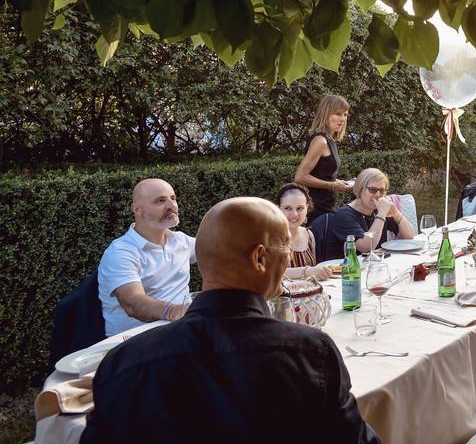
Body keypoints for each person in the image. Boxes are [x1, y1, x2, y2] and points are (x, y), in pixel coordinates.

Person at [81, 197, 380, 444]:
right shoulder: (310, 353)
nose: (289, 260)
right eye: (286, 251)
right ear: (260, 259)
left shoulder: (121, 365)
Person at [97, 178, 195, 337]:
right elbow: (133, 303)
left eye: (173, 198)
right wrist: (178, 312)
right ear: (137, 209)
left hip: (179, 332)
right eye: (160, 201)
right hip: (133, 344)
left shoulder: (180, 240)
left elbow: (218, 250)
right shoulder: (121, 252)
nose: (171, 206)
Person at [326, 168, 415, 257]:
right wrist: (381, 214)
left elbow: (409, 236)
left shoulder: (379, 208)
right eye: (372, 190)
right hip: (347, 268)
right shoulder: (344, 215)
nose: (377, 194)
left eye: (382, 191)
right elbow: (366, 247)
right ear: (360, 190)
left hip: (376, 266)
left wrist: (396, 213)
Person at [295, 94, 352, 221]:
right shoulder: (320, 141)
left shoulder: (330, 140)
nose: (342, 119)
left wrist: (337, 182)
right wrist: (332, 185)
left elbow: (321, 173)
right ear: (325, 114)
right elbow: (300, 177)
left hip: (327, 208)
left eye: (345, 115)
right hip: (319, 211)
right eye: (338, 114)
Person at [275, 183, 333, 281]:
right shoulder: (271, 237)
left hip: (307, 293)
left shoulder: (309, 235)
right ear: (278, 208)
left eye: (300, 208)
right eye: (287, 208)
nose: (294, 214)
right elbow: (272, 272)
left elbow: (313, 274)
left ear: (307, 208)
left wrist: (321, 272)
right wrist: (306, 271)